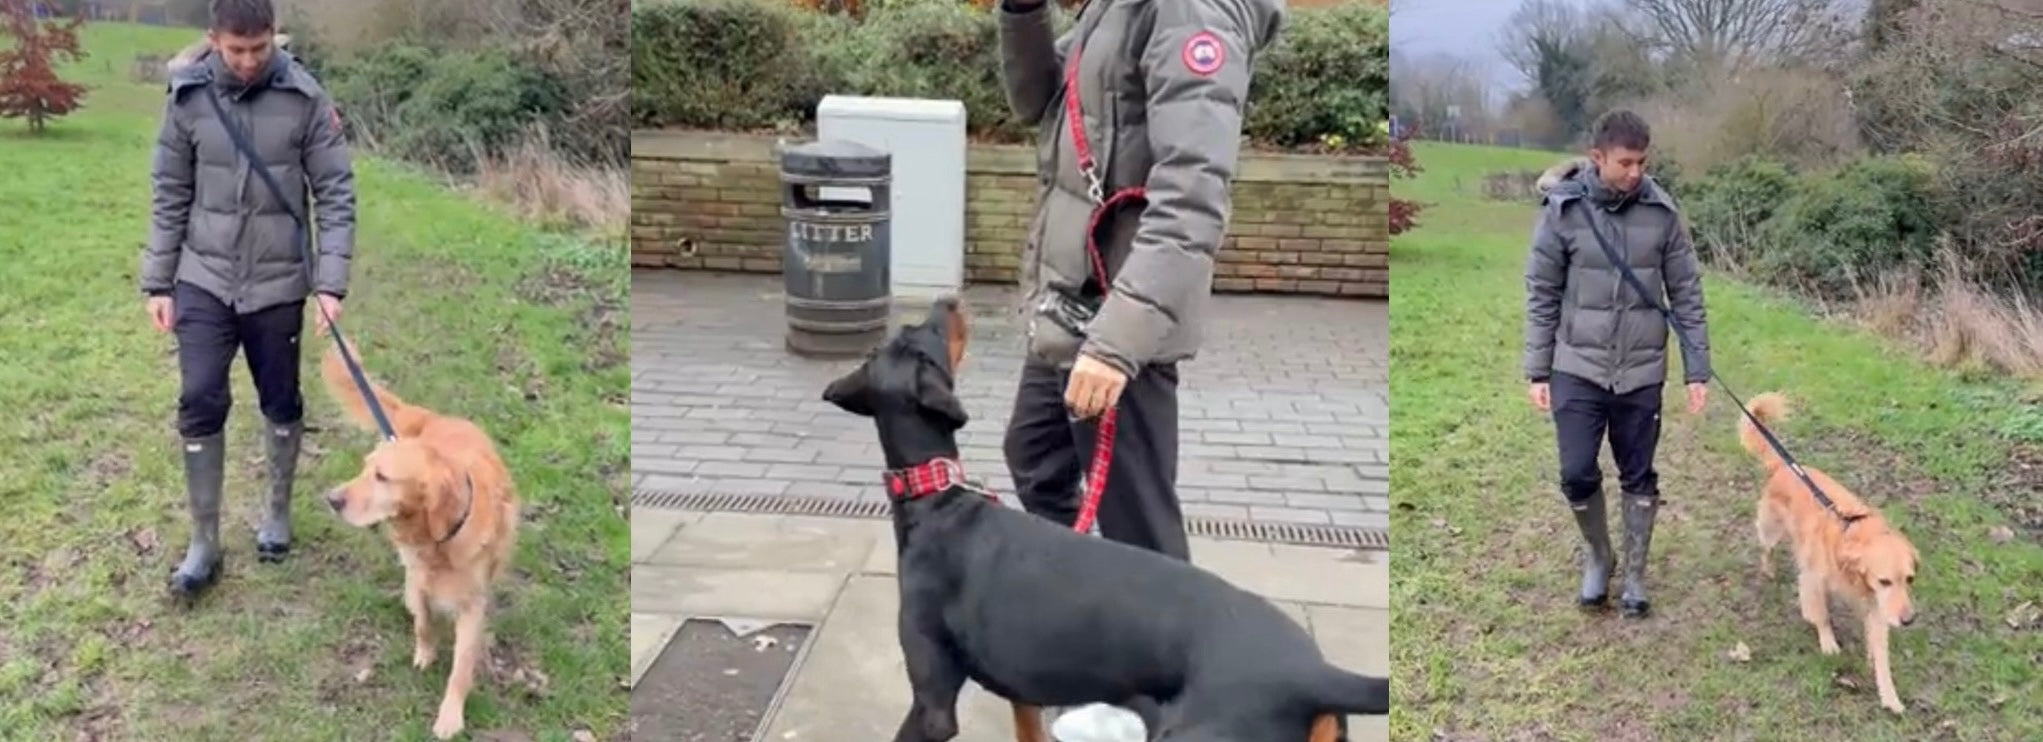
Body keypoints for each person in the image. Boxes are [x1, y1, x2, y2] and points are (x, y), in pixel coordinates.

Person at [995, 0, 1284, 736]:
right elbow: (1040, 104)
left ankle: (1174, 701)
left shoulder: (1190, 12)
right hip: (1071, 305)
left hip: (1120, 321)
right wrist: (1022, 12)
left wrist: (1116, 342)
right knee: (1035, 459)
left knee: (1140, 531)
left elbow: (1192, 198)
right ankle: (1094, 644)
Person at [140, 0, 356, 599]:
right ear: (214, 40)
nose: (248, 61)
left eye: (259, 48)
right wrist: (158, 281)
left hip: (278, 285)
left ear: (272, 36)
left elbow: (336, 192)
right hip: (203, 277)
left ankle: (277, 512)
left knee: (280, 399)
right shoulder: (187, 98)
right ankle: (204, 542)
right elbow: (169, 192)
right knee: (199, 398)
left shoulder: (305, 98)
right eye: (236, 50)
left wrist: (331, 283)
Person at [1523, 109, 1711, 620]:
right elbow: (1542, 292)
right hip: (1576, 366)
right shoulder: (1563, 211)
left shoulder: (1662, 214)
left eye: (1642, 162)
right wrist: (1538, 368)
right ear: (1597, 157)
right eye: (1625, 163)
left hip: (1641, 371)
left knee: (1639, 474)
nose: (1635, 172)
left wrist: (1697, 369)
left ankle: (1635, 574)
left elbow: (1687, 294)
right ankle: (1599, 556)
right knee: (1576, 471)